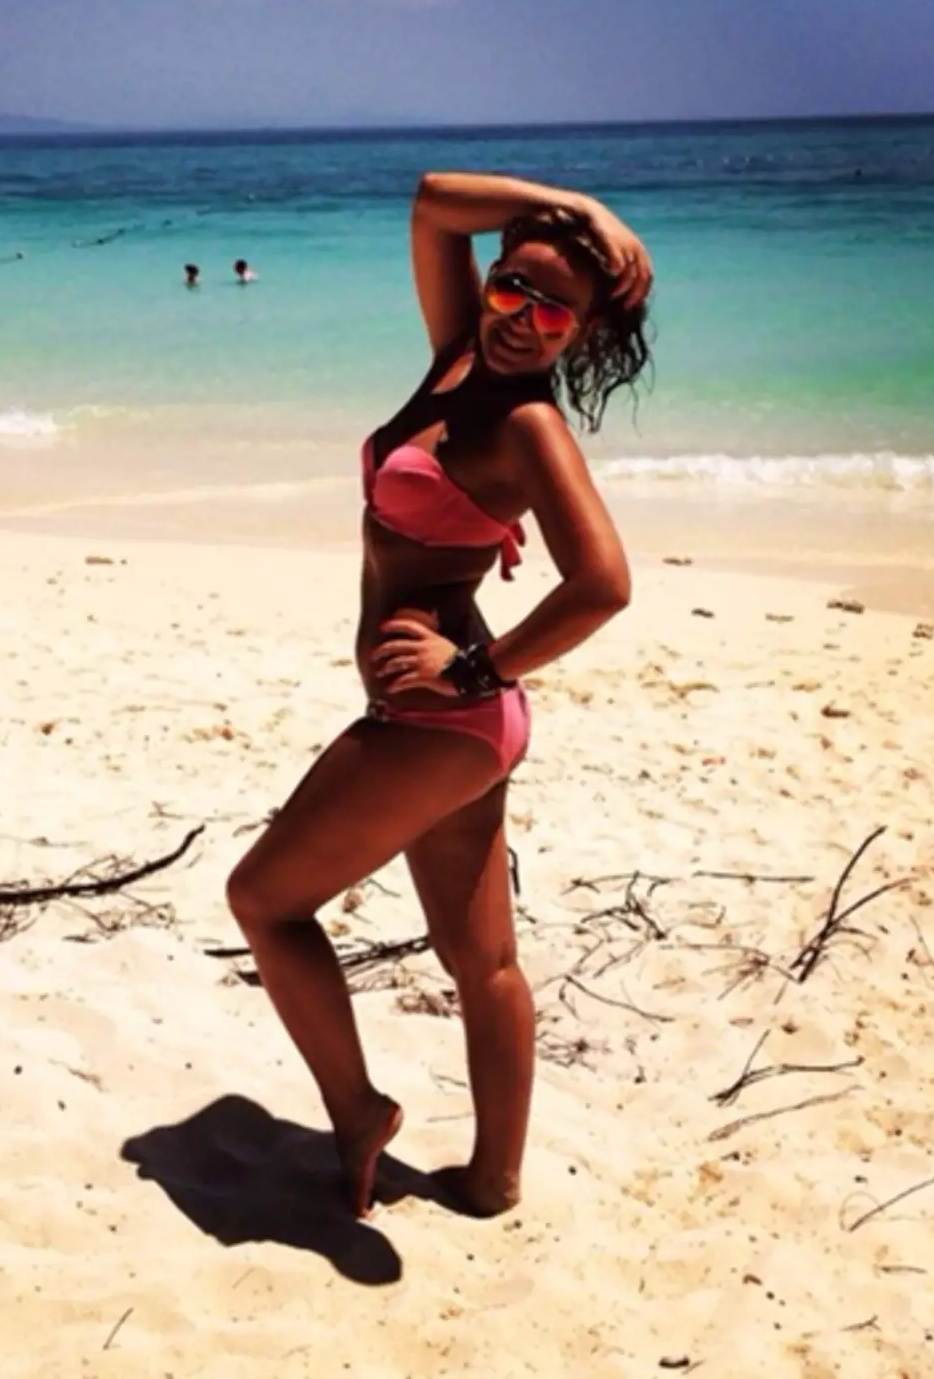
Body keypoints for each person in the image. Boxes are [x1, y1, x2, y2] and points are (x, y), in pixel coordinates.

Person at [225, 171, 653, 1221]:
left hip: (443, 718)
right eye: (512, 287)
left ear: (584, 332)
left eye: (554, 311)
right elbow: (431, 203)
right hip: (462, 730)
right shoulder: (458, 357)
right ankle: (492, 1179)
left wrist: (478, 667)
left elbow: (603, 583)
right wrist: (583, 208)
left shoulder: (529, 428)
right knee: (482, 959)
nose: (521, 318)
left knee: (264, 901)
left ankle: (356, 1109)